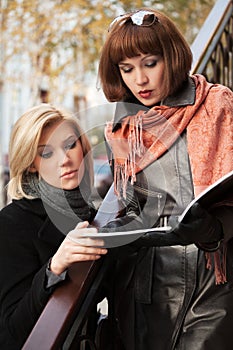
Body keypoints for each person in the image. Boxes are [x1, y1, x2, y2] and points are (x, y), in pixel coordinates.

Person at [97, 8, 233, 350]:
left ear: (170, 58)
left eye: (149, 63)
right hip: (143, 289)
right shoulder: (122, 128)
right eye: (126, 69)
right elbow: (129, 207)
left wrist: (216, 230)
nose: (139, 80)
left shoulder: (218, 104)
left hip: (211, 280)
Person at [0, 103, 108, 349]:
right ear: (30, 164)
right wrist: (54, 267)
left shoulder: (91, 215)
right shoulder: (11, 224)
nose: (65, 159)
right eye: (46, 153)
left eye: (70, 145)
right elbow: (10, 334)